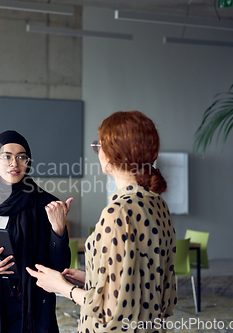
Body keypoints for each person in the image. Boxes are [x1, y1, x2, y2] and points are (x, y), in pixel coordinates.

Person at [27, 111, 177, 333]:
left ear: (111, 154)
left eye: (98, 146)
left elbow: (109, 309)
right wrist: (92, 278)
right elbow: (148, 284)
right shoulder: (158, 204)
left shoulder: (118, 212)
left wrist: (62, 287)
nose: (97, 152)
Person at [0, 130, 72, 333]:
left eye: (21, 157)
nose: (14, 163)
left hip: (33, 305)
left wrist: (58, 230)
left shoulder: (46, 204)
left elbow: (60, 265)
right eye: (6, 156)